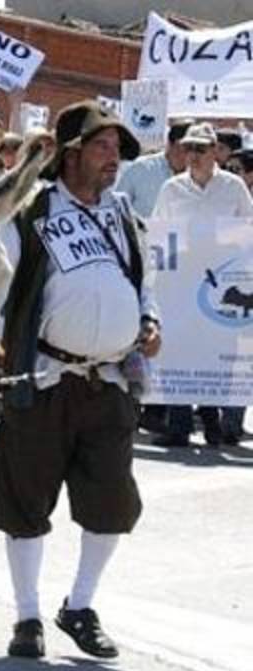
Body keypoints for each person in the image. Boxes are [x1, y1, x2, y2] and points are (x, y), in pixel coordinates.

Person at [0, 100, 161, 660]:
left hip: (109, 381)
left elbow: (144, 282)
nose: (114, 159)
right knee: (26, 502)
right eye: (102, 147)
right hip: (43, 377)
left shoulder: (122, 216)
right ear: (70, 153)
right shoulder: (31, 213)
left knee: (112, 500)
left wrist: (149, 321)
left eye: (117, 149)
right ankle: (26, 616)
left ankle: (80, 605)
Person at [151, 122, 253, 447]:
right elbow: (160, 234)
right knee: (178, 350)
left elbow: (249, 231)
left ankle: (212, 422)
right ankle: (179, 425)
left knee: (217, 350)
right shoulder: (171, 188)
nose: (192, 155)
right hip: (181, 282)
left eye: (200, 149)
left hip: (221, 284)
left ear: (214, 151)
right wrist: (159, 280)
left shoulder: (234, 187)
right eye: (188, 148)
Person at [114, 119, 192, 220]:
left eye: (193, 149)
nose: (187, 154)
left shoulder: (199, 175)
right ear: (169, 144)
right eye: (183, 148)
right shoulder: (140, 169)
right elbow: (117, 207)